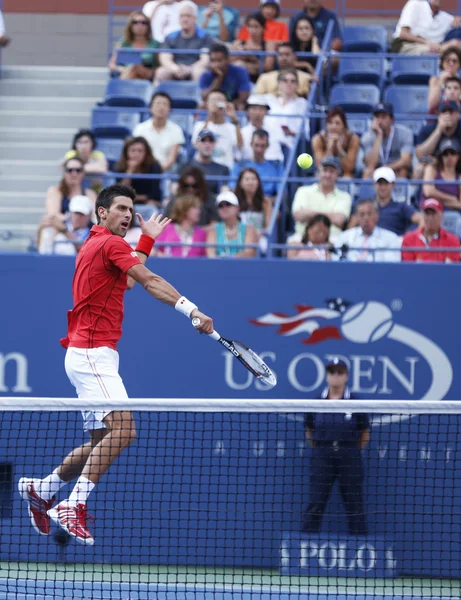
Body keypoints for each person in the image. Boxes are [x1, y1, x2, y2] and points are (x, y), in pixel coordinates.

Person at [19, 183, 214, 544]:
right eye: (121, 208)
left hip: (85, 354)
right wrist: (192, 311)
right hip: (93, 354)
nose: (127, 214)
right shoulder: (110, 243)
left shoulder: (95, 244)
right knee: (125, 430)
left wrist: (146, 242)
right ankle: (70, 506)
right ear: (102, 213)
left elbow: (125, 280)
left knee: (100, 442)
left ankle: (42, 489)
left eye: (131, 209)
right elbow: (148, 281)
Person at [302, 358, 369, 535]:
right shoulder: (317, 401)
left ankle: (359, 544)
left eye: (340, 372)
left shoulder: (355, 401)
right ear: (327, 376)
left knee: (354, 503)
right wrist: (322, 447)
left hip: (349, 455)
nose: (336, 376)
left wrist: (352, 450)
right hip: (322, 455)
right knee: (316, 501)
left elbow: (365, 431)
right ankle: (305, 546)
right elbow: (309, 428)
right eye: (332, 372)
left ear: (346, 376)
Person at [291, 156, 352, 242]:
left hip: (332, 239)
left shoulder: (345, 196)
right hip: (303, 237)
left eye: (332, 172)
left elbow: (339, 220)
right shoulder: (303, 191)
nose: (327, 175)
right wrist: (329, 216)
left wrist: (310, 213)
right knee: (293, 244)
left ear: (337, 176)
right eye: (325, 170)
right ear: (318, 173)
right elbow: (298, 215)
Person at [154, 0, 214, 83]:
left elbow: (205, 60)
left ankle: (200, 96)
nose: (185, 19)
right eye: (182, 16)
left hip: (194, 69)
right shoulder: (171, 36)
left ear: (195, 18)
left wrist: (189, 69)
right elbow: (165, 58)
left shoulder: (205, 36)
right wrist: (175, 69)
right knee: (161, 72)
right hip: (175, 69)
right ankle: (158, 96)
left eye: (188, 16)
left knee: (200, 72)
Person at [335, 198, 402, 262]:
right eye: (362, 214)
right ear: (357, 217)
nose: (366, 218)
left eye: (369, 214)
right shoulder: (344, 237)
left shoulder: (390, 238)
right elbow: (336, 260)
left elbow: (391, 266)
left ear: (377, 215)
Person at [133, 91, 185, 172]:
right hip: (143, 171)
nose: (161, 107)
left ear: (170, 110)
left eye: (165, 104)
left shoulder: (176, 130)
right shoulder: (140, 129)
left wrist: (158, 172)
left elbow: (171, 159)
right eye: (158, 103)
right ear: (151, 108)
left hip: (166, 172)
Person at [361, 103, 413, 179]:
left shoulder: (404, 134)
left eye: (383, 117)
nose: (380, 121)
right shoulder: (367, 137)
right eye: (377, 117)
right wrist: (379, 136)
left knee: (402, 171)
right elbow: (370, 164)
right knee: (367, 172)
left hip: (395, 168)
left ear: (392, 120)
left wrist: (385, 169)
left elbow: (406, 161)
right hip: (376, 170)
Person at [192, 90, 242, 170]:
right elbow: (196, 142)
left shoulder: (232, 127)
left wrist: (234, 119)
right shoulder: (200, 125)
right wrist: (210, 116)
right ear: (207, 104)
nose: (217, 104)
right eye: (213, 100)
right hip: (202, 170)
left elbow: (240, 145)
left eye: (220, 100)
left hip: (225, 170)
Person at [114, 137, 163, 216]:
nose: (136, 154)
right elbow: (121, 192)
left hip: (149, 204)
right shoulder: (120, 167)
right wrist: (130, 171)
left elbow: (154, 193)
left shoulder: (154, 167)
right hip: (127, 204)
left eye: (140, 151)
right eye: (133, 150)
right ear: (126, 152)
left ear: (146, 153)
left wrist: (134, 198)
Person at [402, 197, 461, 263]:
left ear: (441, 215)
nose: (430, 218)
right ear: (422, 215)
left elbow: (451, 269)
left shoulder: (452, 240)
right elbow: (408, 269)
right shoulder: (409, 239)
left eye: (433, 214)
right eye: (427, 213)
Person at [230, 129, 284, 199]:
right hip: (242, 205)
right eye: (256, 145)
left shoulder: (276, 166)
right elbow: (232, 189)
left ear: (268, 146)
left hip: (268, 205)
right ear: (251, 144)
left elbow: (281, 193)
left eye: (262, 146)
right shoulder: (239, 165)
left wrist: (266, 203)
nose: (259, 150)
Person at [391, 0, 461, 55]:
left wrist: (459, 19)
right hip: (405, 45)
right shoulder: (415, 3)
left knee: (456, 45)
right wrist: (427, 42)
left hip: (433, 48)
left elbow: (455, 21)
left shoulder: (445, 17)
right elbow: (403, 34)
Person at [265, 69, 309, 150]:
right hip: (267, 144)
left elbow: (305, 132)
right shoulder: (269, 100)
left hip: (289, 147)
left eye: (293, 81)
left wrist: (291, 133)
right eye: (285, 81)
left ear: (297, 85)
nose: (289, 84)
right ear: (279, 83)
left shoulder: (302, 103)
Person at [108, 11, 159, 80]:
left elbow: (160, 66)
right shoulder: (123, 43)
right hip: (127, 73)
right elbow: (112, 65)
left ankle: (121, 88)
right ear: (130, 25)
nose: (140, 26)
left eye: (144, 23)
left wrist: (143, 70)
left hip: (148, 76)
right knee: (133, 68)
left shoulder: (155, 44)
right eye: (135, 22)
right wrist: (124, 69)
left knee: (135, 67)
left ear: (148, 26)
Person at [199, 43, 251, 109]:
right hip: (213, 107)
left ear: (227, 60)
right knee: (202, 107)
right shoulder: (205, 75)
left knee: (241, 106)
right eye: (213, 61)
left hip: (233, 106)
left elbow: (243, 97)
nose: (216, 64)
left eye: (219, 60)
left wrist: (225, 106)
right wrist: (218, 79)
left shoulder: (240, 72)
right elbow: (204, 97)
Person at [206, 190, 258, 257]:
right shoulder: (213, 229)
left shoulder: (249, 229)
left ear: (237, 208)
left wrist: (228, 258)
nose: (224, 208)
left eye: (228, 204)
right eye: (220, 206)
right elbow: (211, 255)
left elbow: (249, 253)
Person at [312, 107, 360, 178]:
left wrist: (339, 149)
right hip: (325, 172)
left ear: (344, 126)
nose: (333, 126)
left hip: (344, 171)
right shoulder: (318, 139)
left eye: (337, 123)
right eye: (330, 123)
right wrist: (329, 148)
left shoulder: (353, 139)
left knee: (347, 177)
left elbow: (349, 168)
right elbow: (320, 166)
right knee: (319, 176)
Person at [373, 166, 422, 235]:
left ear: (393, 185)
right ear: (375, 184)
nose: (383, 187)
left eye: (386, 183)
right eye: (380, 183)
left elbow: (421, 220)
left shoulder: (401, 207)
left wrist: (408, 239)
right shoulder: (368, 208)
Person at [231, 13, 276, 83]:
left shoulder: (269, 44)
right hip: (240, 80)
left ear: (263, 28)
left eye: (256, 27)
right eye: (250, 26)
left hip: (261, 80)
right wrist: (239, 55)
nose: (253, 30)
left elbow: (268, 67)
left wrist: (251, 57)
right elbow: (229, 62)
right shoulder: (239, 43)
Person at [240, 95, 285, 163]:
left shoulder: (275, 130)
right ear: (247, 111)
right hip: (248, 169)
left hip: (271, 169)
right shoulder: (242, 133)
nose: (257, 113)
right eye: (254, 108)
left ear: (266, 112)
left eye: (261, 109)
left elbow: (278, 155)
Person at [416, 100, 461, 165]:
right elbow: (420, 156)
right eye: (444, 112)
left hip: (458, 165)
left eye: (451, 112)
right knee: (419, 169)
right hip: (435, 165)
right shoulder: (427, 129)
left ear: (458, 114)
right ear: (438, 115)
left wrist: (442, 162)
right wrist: (438, 130)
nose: (447, 115)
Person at [422, 139, 461, 213]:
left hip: (453, 214)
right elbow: (428, 191)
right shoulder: (432, 169)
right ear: (441, 156)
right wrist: (451, 198)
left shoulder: (459, 176)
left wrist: (440, 199)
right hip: (430, 211)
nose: (449, 156)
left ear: (458, 156)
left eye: (452, 153)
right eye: (445, 154)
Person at [189, 129, 230, 195]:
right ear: (196, 144)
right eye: (203, 140)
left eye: (211, 141)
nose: (207, 144)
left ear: (214, 144)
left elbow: (225, 191)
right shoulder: (186, 167)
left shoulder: (223, 169)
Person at [234, 167, 272, 232]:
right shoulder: (234, 200)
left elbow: (268, 225)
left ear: (258, 182)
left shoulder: (265, 201)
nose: (251, 182)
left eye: (253, 179)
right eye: (247, 179)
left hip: (259, 237)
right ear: (240, 183)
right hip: (238, 237)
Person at [428, 47, 461, 112]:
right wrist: (440, 82)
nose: (451, 63)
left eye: (454, 61)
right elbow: (432, 105)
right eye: (448, 60)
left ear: (459, 64)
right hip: (440, 114)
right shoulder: (435, 80)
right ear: (442, 63)